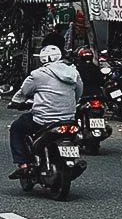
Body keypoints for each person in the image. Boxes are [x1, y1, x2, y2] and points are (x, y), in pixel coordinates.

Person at [8, 45, 83, 179]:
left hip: (43, 120)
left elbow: (23, 92)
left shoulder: (38, 74)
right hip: (69, 119)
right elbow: (79, 92)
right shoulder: (73, 72)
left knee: (16, 128)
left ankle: (22, 165)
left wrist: (15, 102)